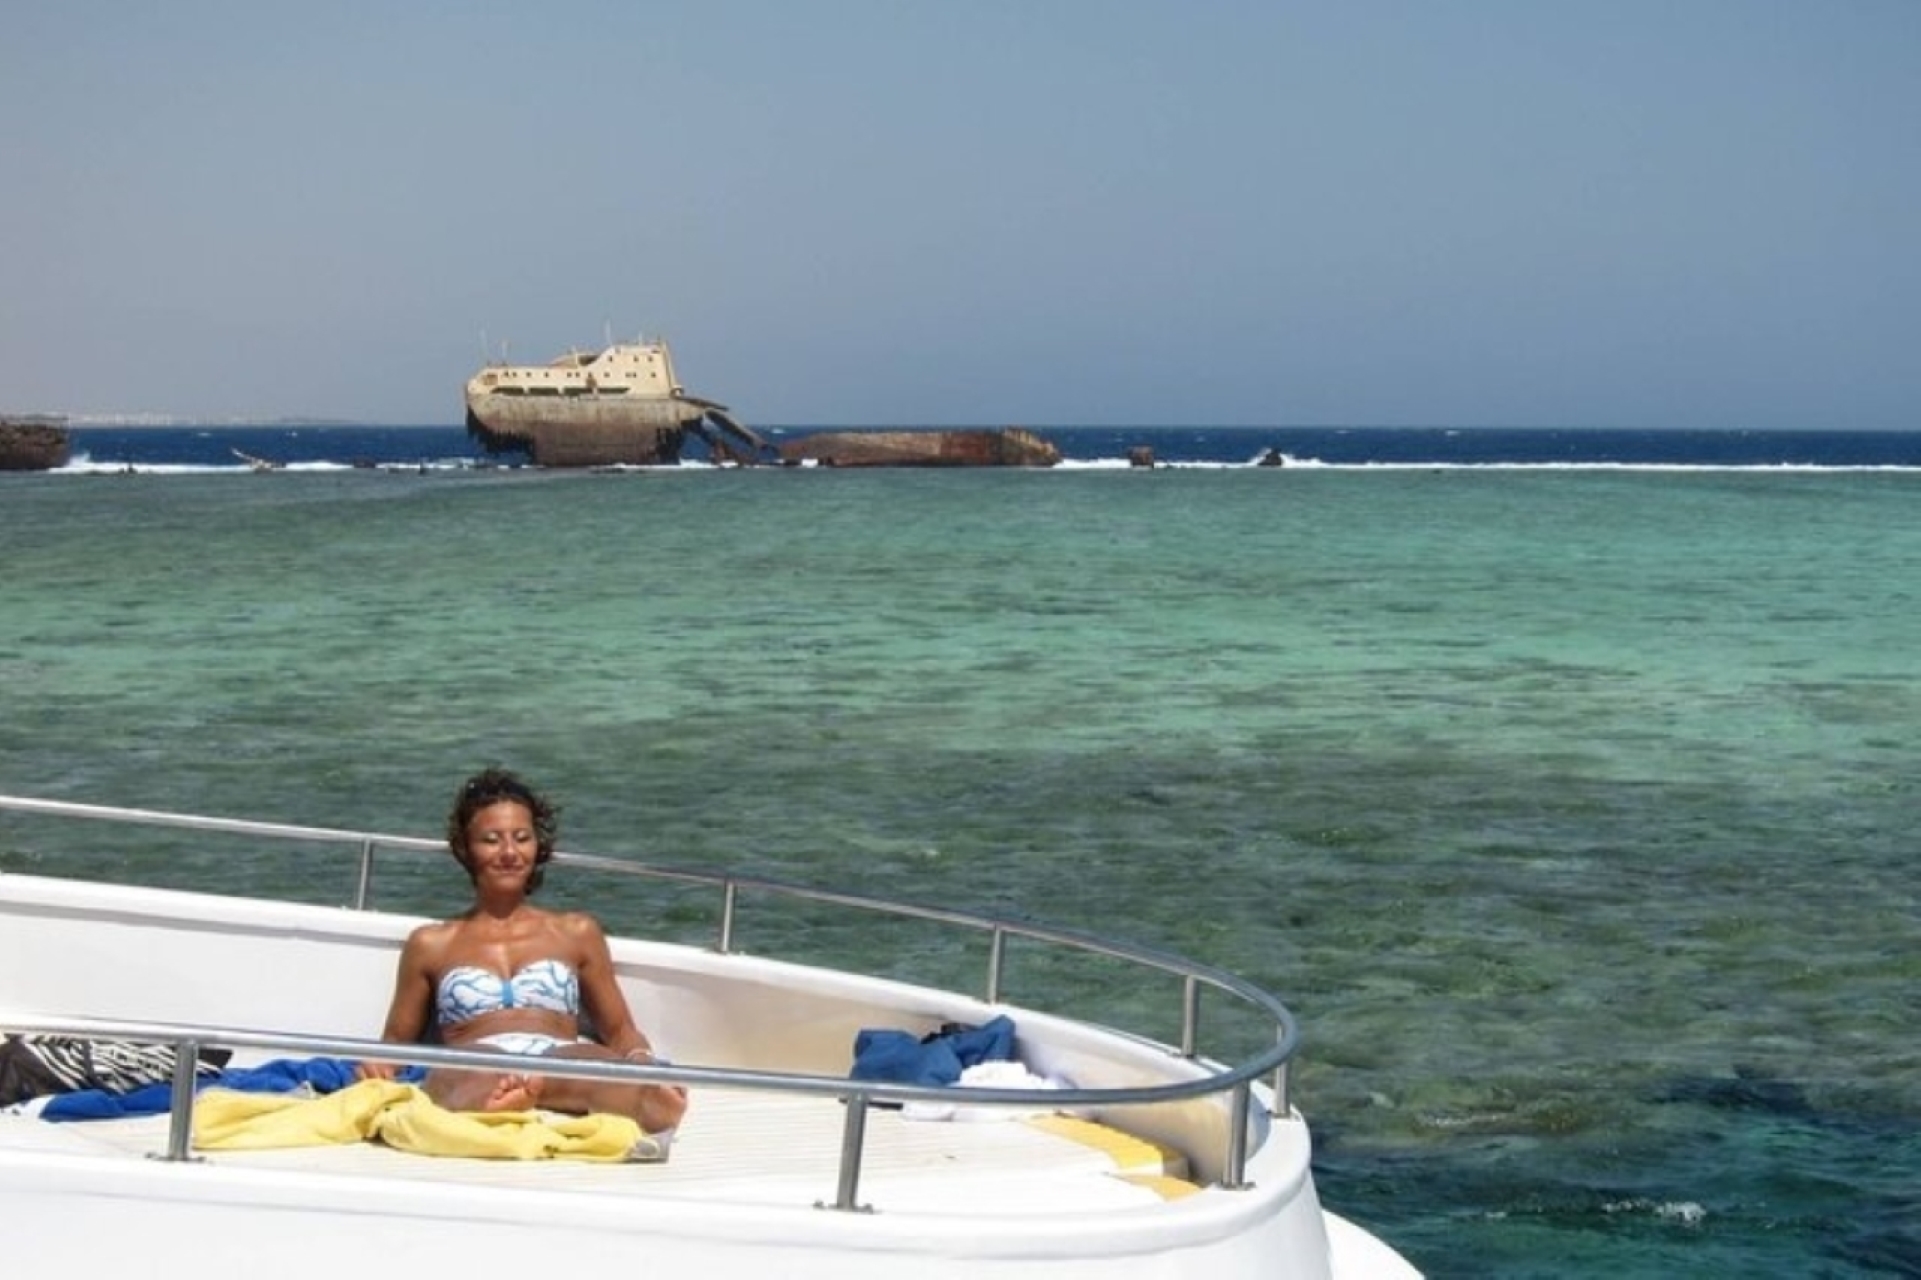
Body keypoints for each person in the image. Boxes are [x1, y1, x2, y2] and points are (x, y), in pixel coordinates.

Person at [358, 767, 687, 1134]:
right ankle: (491, 1097)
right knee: (463, 1071)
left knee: (598, 1066)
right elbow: (397, 1041)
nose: (510, 852)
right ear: (466, 849)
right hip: (475, 1056)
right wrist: (380, 1064)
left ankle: (646, 1102)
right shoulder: (431, 943)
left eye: (521, 838)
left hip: (556, 1057)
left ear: (537, 845)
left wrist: (641, 1061)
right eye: (491, 840)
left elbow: (620, 1029)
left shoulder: (576, 932)